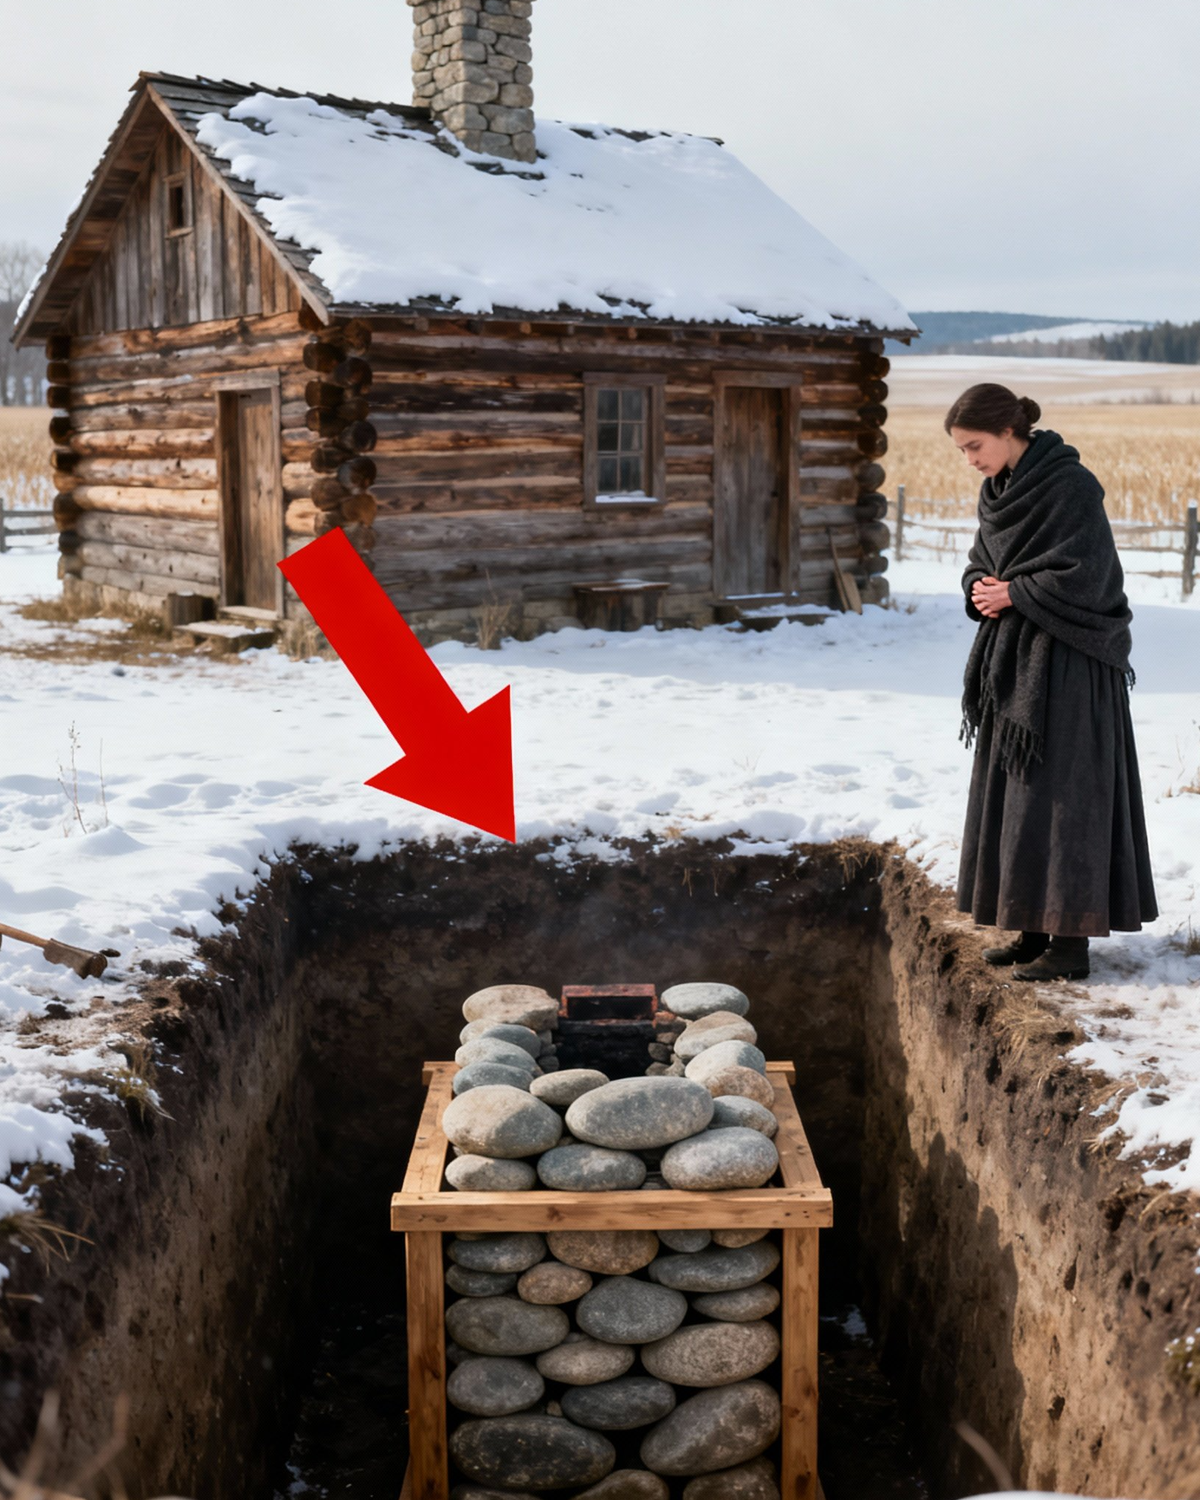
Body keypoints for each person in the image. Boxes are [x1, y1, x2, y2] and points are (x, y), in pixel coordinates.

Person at [947, 383, 1156, 980]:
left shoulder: (1070, 485)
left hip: (1071, 663)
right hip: (1015, 665)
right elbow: (981, 561)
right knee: (1023, 797)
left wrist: (1016, 591)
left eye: (975, 445)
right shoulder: (999, 490)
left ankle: (1070, 947)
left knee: (1070, 799)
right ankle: (1032, 929)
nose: (970, 460)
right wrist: (980, 590)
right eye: (961, 450)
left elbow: (1092, 578)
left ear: (1008, 430)